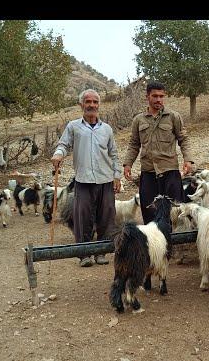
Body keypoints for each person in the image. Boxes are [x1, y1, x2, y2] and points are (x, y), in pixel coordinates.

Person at [51, 89, 122, 267]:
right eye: (88, 102)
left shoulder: (106, 129)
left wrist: (117, 175)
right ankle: (84, 254)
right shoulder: (73, 126)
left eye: (95, 102)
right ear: (81, 104)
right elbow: (63, 144)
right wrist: (58, 155)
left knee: (107, 217)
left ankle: (101, 252)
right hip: (83, 180)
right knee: (83, 217)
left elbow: (113, 154)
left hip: (105, 179)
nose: (92, 105)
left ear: (99, 105)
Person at [123, 81, 194, 224]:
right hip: (148, 172)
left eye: (161, 96)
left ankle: (172, 242)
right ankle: (156, 244)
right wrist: (127, 164)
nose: (158, 100)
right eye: (154, 96)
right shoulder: (138, 120)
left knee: (174, 210)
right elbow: (134, 144)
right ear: (147, 97)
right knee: (149, 211)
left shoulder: (174, 116)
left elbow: (183, 139)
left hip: (170, 171)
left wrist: (188, 159)